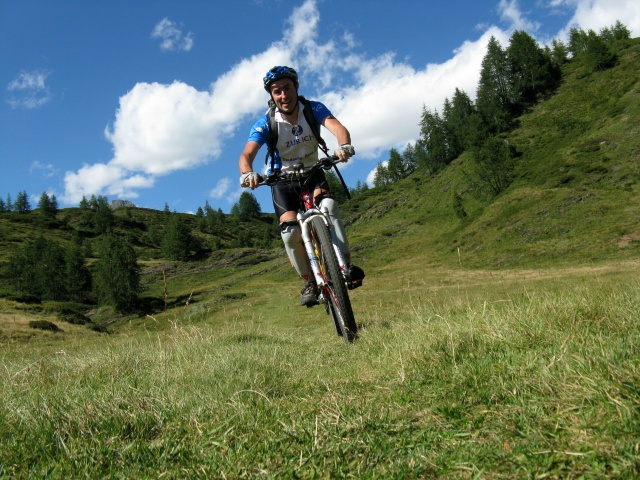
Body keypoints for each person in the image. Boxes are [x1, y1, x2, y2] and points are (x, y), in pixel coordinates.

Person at [239, 66, 364, 306]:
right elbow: (246, 155)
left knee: (328, 206)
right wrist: (248, 173)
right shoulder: (266, 123)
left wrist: (343, 145)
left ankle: (345, 265)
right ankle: (310, 281)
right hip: (281, 181)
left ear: (296, 87)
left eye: (287, 88)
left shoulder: (313, 109)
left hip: (312, 172)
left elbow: (338, 128)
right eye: (277, 91)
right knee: (290, 233)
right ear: (272, 96)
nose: (283, 95)